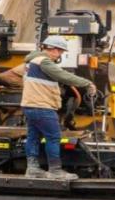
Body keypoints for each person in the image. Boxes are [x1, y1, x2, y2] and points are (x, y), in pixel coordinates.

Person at [22, 36, 96, 180]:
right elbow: (63, 76)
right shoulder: (44, 61)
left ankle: (32, 169)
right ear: (53, 49)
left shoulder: (32, 61)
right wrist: (87, 83)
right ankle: (55, 171)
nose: (60, 55)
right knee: (53, 138)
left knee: (33, 137)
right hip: (42, 106)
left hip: (30, 105)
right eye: (60, 52)